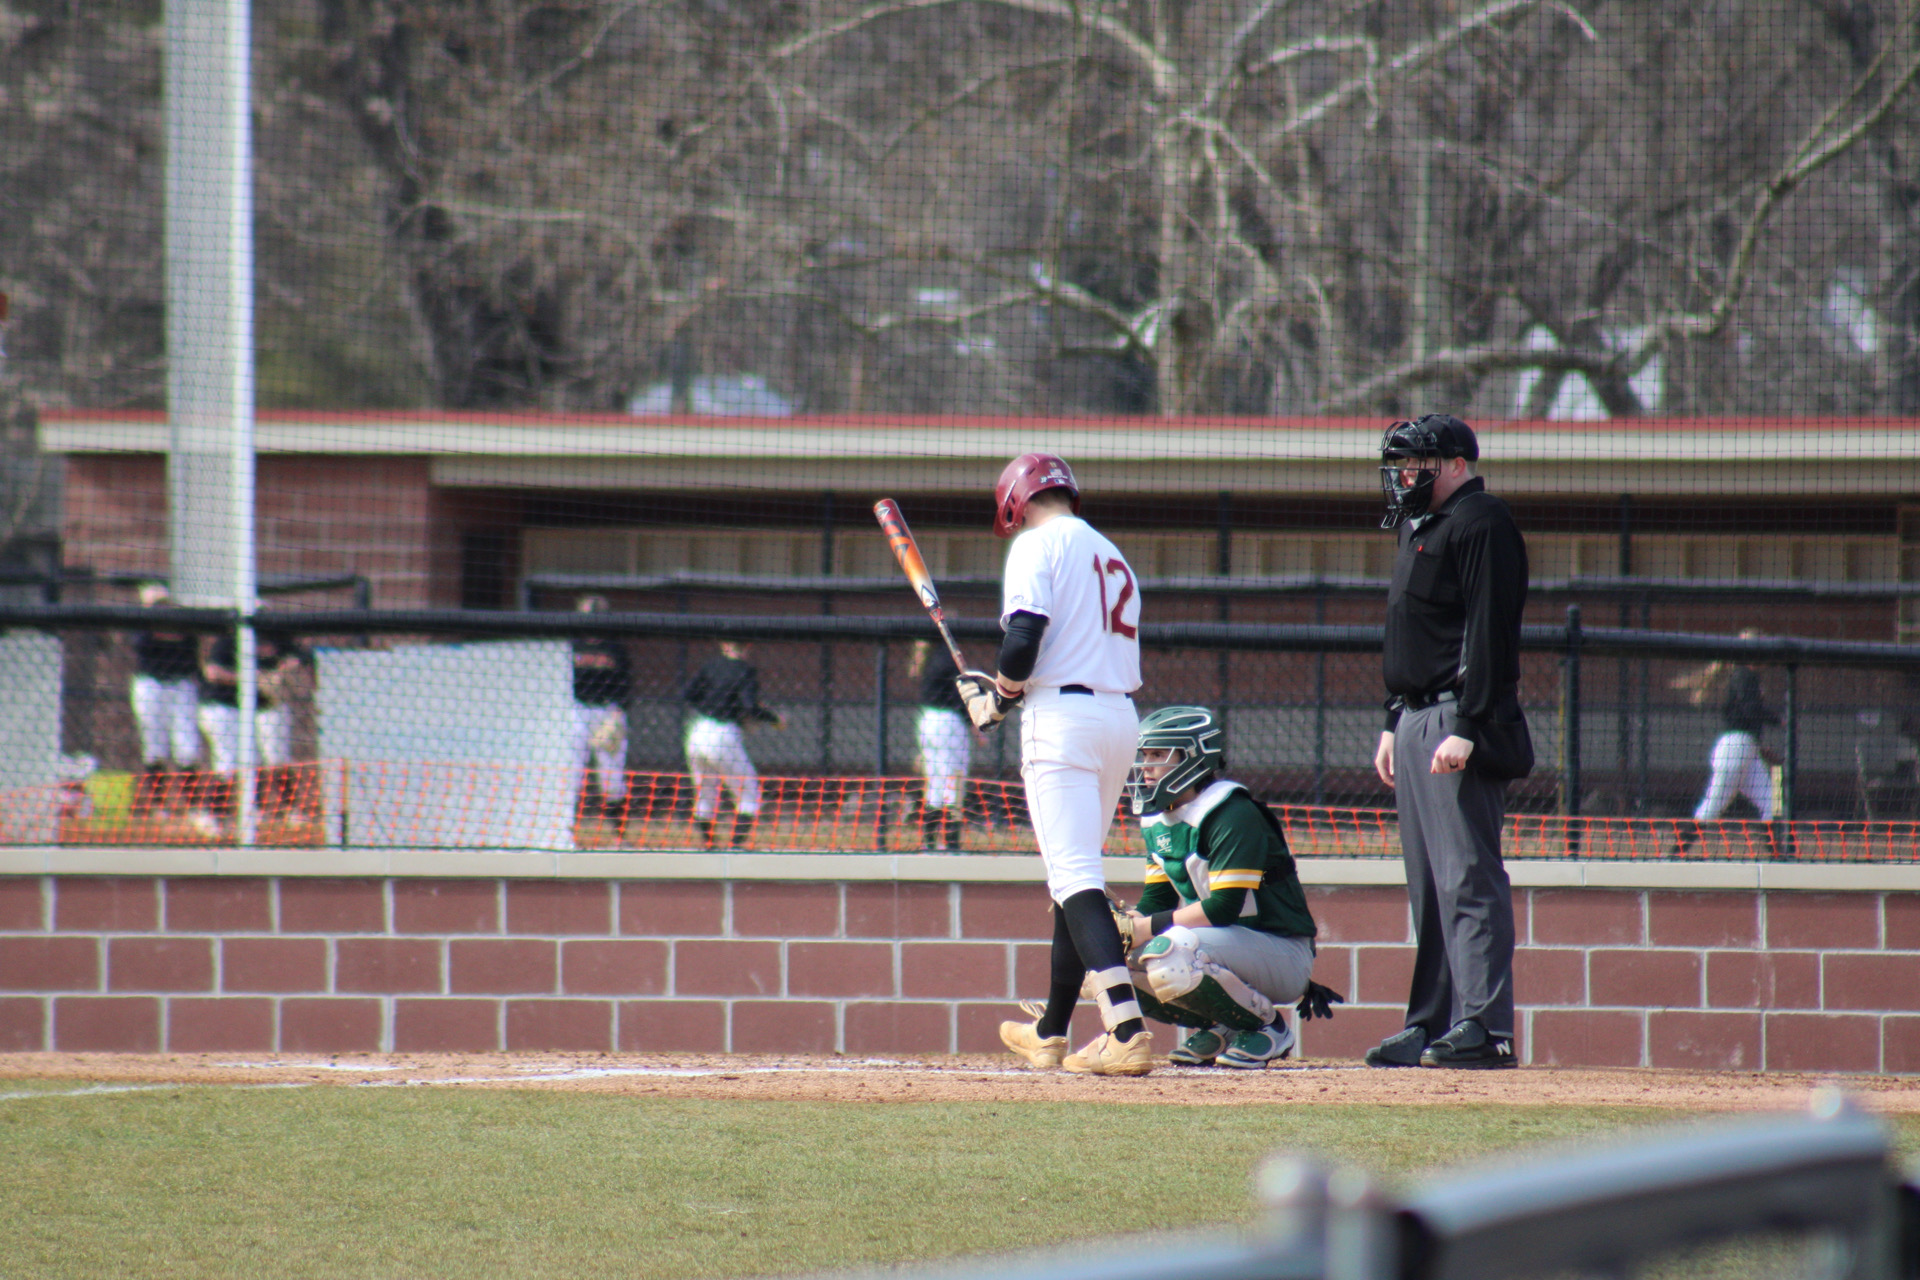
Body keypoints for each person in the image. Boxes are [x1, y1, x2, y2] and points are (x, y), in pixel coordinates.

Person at [968, 453, 1151, 1077]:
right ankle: (1050, 1031)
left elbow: (1023, 638)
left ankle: (1125, 1027)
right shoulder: (1111, 552)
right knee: (1072, 881)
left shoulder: (1035, 544)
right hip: (1119, 718)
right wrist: (1007, 691)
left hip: (1063, 720)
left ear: (1016, 501)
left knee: (1074, 878)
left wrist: (997, 698)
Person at [1368, 414, 1531, 1071]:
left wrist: (1468, 725)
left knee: (1468, 878)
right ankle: (1431, 1022)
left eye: (1420, 467)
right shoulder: (1420, 525)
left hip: (1454, 720)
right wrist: (1390, 719)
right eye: (1402, 468)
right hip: (1413, 719)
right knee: (1429, 885)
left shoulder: (1480, 520)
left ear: (1457, 463)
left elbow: (1490, 631)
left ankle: (1486, 1027)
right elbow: (1415, 633)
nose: (1407, 479)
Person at [1118, 706, 1340, 1068]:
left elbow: (1225, 907)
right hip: (1219, 946)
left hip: (1280, 949)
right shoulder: (1159, 818)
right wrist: (1126, 925)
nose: (1145, 766)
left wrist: (1145, 928)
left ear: (1192, 757)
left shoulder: (1230, 811)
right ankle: (1223, 1025)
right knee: (1111, 959)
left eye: (1157, 754)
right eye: (1144, 756)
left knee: (1166, 952)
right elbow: (1156, 899)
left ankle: (1268, 1027)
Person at [1672, 630, 1780, 853]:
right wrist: (1779, 720)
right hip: (1735, 751)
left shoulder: (1747, 677)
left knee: (1772, 803)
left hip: (1745, 751)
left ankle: (1778, 856)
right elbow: (1751, 711)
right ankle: (1675, 854)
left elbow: (1747, 718)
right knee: (1711, 807)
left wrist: (1758, 748)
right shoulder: (1744, 676)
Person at [198, 627, 308, 830]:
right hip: (228, 708)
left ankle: (275, 810)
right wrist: (251, 679)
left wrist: (286, 667)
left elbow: (301, 655)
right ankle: (213, 814)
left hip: (261, 707)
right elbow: (212, 671)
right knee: (231, 762)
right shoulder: (229, 640)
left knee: (270, 759)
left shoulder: (277, 636)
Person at [683, 639, 783, 850]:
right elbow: (750, 706)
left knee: (705, 793)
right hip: (723, 734)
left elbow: (688, 694)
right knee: (749, 793)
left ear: (723, 644)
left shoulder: (710, 665)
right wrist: (774, 718)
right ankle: (735, 846)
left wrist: (712, 704)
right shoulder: (745, 670)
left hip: (697, 731)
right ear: (748, 646)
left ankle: (709, 845)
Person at [127, 582, 202, 817]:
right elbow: (141, 645)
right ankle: (159, 805)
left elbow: (191, 653)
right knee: (154, 746)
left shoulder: (185, 624)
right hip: (151, 684)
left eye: (163, 603)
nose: (161, 609)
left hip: (181, 684)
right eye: (154, 605)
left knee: (187, 747)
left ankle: (192, 805)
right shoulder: (141, 626)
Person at [570, 596, 634, 836]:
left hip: (608, 711)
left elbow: (626, 684)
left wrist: (619, 712)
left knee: (611, 779)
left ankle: (619, 835)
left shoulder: (615, 647)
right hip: (576, 711)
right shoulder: (571, 645)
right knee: (571, 775)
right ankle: (564, 832)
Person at [910, 639, 970, 851]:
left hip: (929, 720)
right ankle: (951, 841)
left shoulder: (932, 658)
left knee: (936, 783)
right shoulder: (947, 658)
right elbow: (959, 696)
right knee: (953, 782)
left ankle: (930, 841)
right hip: (948, 723)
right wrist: (973, 722)